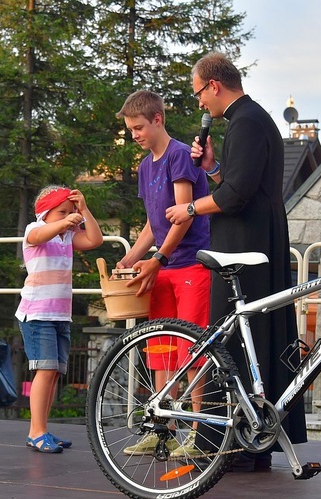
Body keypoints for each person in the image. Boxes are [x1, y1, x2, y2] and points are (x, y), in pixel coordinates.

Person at [165, 52, 308, 471]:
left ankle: (229, 442)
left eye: (198, 95)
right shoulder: (253, 119)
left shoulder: (244, 122)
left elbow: (235, 197)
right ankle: (250, 440)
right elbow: (240, 182)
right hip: (258, 238)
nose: (199, 105)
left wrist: (189, 210)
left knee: (234, 342)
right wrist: (212, 168)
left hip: (244, 244)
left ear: (213, 85)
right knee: (252, 339)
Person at [115, 90, 211, 458]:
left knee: (193, 351)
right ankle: (163, 428)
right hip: (163, 265)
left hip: (190, 264)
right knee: (161, 349)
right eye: (130, 129)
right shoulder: (145, 166)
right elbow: (154, 223)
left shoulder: (179, 156)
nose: (135, 134)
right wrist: (131, 258)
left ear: (158, 119)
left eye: (139, 127)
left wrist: (159, 257)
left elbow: (182, 215)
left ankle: (200, 435)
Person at [16, 185, 103, 453]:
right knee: (44, 370)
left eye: (71, 211)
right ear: (45, 212)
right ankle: (36, 431)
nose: (69, 216)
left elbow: (95, 240)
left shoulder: (67, 237)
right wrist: (65, 221)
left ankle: (42, 428)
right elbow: (42, 233)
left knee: (53, 373)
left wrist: (84, 210)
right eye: (62, 211)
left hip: (59, 315)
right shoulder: (34, 230)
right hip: (37, 313)